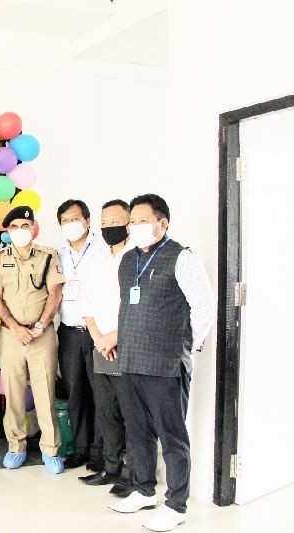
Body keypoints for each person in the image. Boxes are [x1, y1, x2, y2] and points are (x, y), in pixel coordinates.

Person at [108, 194, 215, 532]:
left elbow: (204, 307)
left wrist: (188, 347)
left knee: (172, 437)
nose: (134, 227)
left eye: (141, 220)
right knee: (137, 432)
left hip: (167, 364)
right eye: (132, 221)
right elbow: (128, 306)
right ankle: (143, 490)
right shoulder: (127, 260)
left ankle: (176, 504)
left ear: (162, 223)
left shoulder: (181, 258)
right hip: (131, 361)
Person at [0, 205, 66, 474]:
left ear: (33, 228)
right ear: (8, 231)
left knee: (45, 393)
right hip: (11, 336)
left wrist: (42, 325)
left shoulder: (47, 256)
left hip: (41, 335)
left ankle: (51, 449)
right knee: (14, 393)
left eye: (25, 226)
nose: (20, 231)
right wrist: (15, 327)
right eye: (14, 227)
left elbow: (55, 293)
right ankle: (16, 446)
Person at [80, 199, 133, 497]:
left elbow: (134, 308)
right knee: (106, 411)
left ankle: (132, 474)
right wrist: (100, 338)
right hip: (100, 346)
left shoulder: (136, 259)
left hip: (125, 345)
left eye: (116, 220)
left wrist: (113, 337)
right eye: (105, 221)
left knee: (132, 414)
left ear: (128, 223)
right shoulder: (99, 262)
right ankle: (110, 469)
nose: (109, 226)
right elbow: (87, 306)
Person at [55, 199, 99, 471]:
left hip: (98, 334)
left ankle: (101, 451)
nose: (71, 225)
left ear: (87, 220)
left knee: (102, 396)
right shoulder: (58, 255)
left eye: (75, 219)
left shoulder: (104, 250)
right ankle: (81, 449)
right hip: (69, 332)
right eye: (65, 221)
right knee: (76, 393)